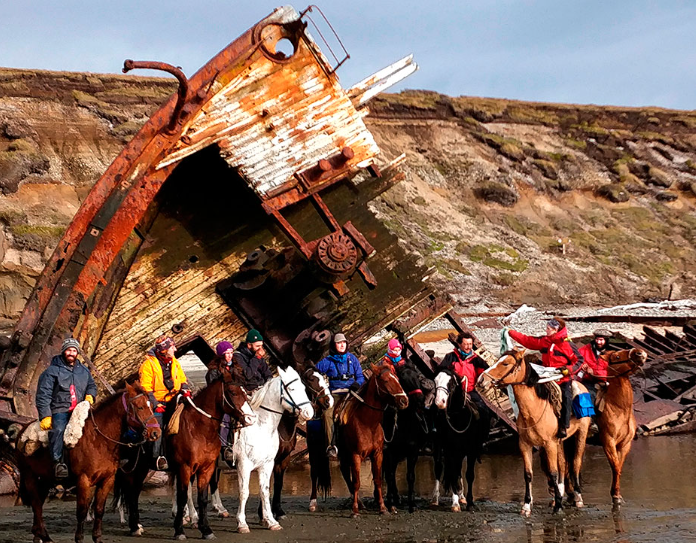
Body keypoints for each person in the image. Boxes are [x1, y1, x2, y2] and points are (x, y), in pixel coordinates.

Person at [508, 317, 583, 438]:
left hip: (562, 378)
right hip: (545, 375)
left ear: (555, 329)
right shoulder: (545, 341)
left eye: (548, 329)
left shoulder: (568, 344)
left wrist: (567, 370)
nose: (546, 330)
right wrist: (511, 332)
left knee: (566, 397)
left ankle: (564, 425)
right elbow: (528, 341)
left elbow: (579, 361)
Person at [35, 338, 97, 479]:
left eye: (74, 350)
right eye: (69, 350)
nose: (71, 353)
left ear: (77, 353)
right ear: (64, 351)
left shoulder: (83, 370)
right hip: (60, 408)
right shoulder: (52, 371)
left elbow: (92, 385)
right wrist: (45, 415)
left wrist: (90, 396)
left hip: (80, 409)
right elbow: (43, 393)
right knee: (58, 430)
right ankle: (58, 463)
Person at [139, 335, 190, 470]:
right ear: (165, 349)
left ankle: (180, 452)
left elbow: (182, 379)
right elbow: (146, 388)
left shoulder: (175, 362)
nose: (175, 349)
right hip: (157, 401)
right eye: (172, 346)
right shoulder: (148, 365)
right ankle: (157, 458)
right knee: (158, 427)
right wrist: (156, 404)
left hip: (173, 399)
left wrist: (185, 389)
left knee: (184, 422)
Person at [316, 333, 365, 457]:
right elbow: (315, 372)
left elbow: (360, 376)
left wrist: (357, 384)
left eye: (343, 342)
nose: (342, 345)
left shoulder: (352, 359)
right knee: (327, 414)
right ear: (334, 345)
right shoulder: (328, 361)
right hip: (336, 394)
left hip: (352, 393)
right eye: (339, 343)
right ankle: (331, 445)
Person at [440, 332, 489, 415]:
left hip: (470, 391)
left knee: (483, 410)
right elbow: (442, 371)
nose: (468, 347)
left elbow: (487, 370)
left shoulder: (476, 359)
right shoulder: (450, 357)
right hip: (452, 392)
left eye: (470, 344)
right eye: (465, 344)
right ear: (459, 344)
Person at [206, 341, 235, 461]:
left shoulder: (235, 367)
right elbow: (214, 390)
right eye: (226, 353)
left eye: (231, 353)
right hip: (219, 402)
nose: (229, 356)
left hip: (233, 400)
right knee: (225, 418)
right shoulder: (214, 371)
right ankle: (225, 446)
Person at [233, 329, 272, 393]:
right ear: (249, 345)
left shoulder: (256, 354)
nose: (260, 349)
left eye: (261, 346)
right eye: (257, 346)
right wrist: (256, 358)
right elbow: (248, 375)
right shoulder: (237, 357)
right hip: (251, 391)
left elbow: (267, 373)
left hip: (263, 388)